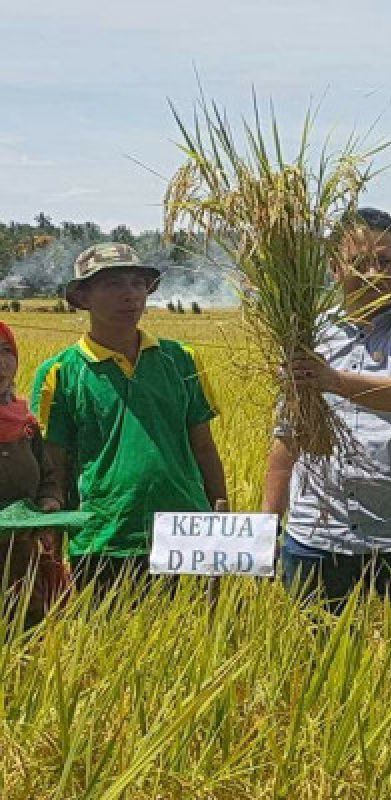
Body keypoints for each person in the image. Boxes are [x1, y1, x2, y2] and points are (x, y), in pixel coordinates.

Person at [262, 208, 391, 613]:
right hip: (317, 535)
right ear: (335, 269)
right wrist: (267, 523)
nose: (373, 274)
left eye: (386, 262)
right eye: (358, 263)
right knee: (310, 664)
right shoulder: (307, 334)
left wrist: (332, 380)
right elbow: (288, 435)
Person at [30, 243, 227, 595]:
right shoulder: (60, 373)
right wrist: (52, 553)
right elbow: (53, 467)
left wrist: (223, 528)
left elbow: (204, 448)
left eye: (137, 284)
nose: (130, 295)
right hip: (103, 537)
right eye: (113, 284)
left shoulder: (181, 360)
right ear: (84, 296)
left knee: (194, 642)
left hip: (185, 533)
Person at [0, 321, 69, 626]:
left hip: (22, 553)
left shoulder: (25, 424)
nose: (1, 363)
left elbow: (47, 473)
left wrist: (49, 501)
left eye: (6, 351)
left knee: (27, 623)